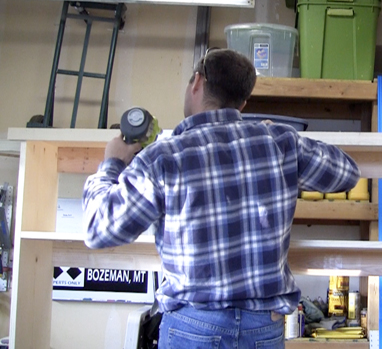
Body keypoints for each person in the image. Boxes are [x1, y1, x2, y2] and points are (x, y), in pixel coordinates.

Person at [83, 48, 360, 349]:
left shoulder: (162, 156)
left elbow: (99, 229)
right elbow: (347, 173)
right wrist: (279, 135)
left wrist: (112, 163)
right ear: (243, 102)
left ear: (197, 82)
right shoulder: (279, 143)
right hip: (263, 327)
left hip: (192, 325)